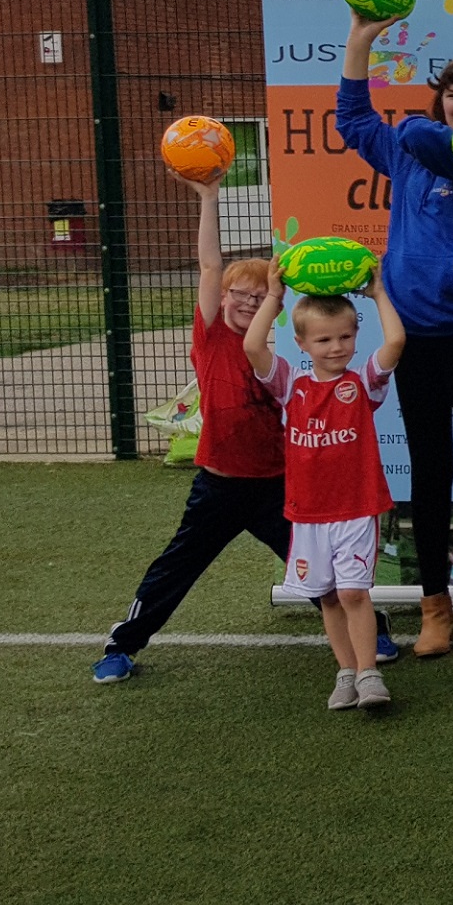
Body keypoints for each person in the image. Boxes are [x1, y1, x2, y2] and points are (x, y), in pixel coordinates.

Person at [339, 8, 453, 659]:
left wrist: (425, 131)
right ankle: (435, 607)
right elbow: (356, 122)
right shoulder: (411, 144)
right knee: (429, 468)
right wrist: (362, 38)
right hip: (414, 337)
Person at [93, 174, 291, 681]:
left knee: (317, 565)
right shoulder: (210, 338)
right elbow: (209, 264)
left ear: (274, 304)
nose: (248, 302)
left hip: (276, 485)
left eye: (259, 296)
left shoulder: (271, 350)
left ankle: (369, 631)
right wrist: (209, 197)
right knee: (175, 569)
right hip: (219, 485)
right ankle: (122, 645)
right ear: (222, 299)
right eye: (238, 294)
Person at [243, 264, 406, 711]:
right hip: (308, 513)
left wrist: (378, 293)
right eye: (323, 339)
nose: (336, 347)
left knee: (354, 593)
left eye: (345, 337)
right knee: (328, 596)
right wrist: (274, 297)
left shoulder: (363, 384)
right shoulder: (290, 385)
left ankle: (370, 672)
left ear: (355, 337)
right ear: (302, 344)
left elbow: (394, 342)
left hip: (355, 508)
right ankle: (346, 672)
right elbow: (252, 345)